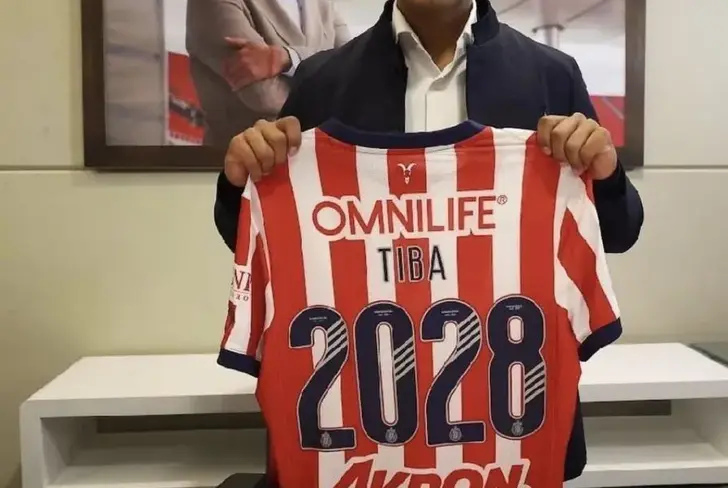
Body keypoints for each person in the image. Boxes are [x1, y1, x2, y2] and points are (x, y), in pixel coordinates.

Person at [214, 0, 644, 483]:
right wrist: (241, 183)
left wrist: (605, 176)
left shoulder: (550, 74)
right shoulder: (321, 80)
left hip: (511, 440)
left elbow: (617, 233)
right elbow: (274, 246)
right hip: (359, 445)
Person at [185, 0, 351, 147]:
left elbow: (354, 69)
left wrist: (289, 57)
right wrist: (337, 88)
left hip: (318, 160)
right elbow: (264, 97)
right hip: (242, 165)